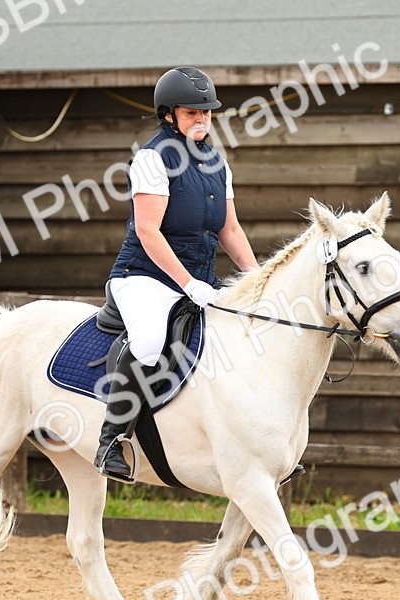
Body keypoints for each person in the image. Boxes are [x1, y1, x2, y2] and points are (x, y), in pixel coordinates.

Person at [94, 66, 258, 481]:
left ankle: (259, 443)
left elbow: (230, 229)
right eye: (192, 113)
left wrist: (258, 279)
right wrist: (188, 284)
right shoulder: (152, 159)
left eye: (207, 113)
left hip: (200, 279)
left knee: (246, 333)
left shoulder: (218, 163)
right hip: (144, 276)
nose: (202, 120)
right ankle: (112, 440)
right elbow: (148, 231)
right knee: (150, 343)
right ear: (169, 115)